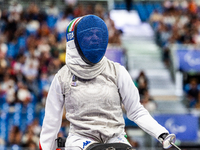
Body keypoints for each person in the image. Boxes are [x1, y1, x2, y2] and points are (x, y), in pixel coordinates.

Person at [39, 15, 176, 150]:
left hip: (115, 138)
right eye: (89, 34)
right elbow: (52, 121)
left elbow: (136, 111)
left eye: (98, 34)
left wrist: (161, 133)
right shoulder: (62, 77)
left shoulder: (117, 71)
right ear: (74, 41)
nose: (95, 38)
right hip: (80, 141)